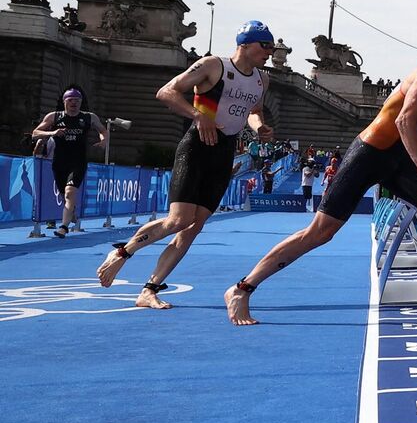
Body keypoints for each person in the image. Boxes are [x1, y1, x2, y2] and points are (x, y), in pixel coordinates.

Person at [226, 34, 417, 325]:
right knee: (320, 232)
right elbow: (403, 120)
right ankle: (242, 288)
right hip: (370, 153)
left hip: (398, 162)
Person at [97, 21, 276, 309]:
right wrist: (197, 115)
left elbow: (254, 111)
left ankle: (149, 290)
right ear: (245, 43)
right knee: (179, 220)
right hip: (197, 145)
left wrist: (259, 127)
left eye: (271, 47)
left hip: (224, 150)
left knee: (193, 227)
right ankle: (122, 253)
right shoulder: (213, 66)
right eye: (264, 45)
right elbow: (166, 91)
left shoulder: (261, 79)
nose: (269, 52)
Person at [30, 87, 106, 236]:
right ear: (64, 102)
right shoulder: (54, 117)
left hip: (78, 161)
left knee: (70, 192)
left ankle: (63, 227)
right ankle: (71, 213)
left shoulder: (89, 117)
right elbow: (35, 134)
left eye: (77, 101)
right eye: (70, 100)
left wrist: (103, 141)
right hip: (59, 162)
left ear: (81, 103)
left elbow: (103, 130)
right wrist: (52, 132)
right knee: (64, 194)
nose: (74, 103)